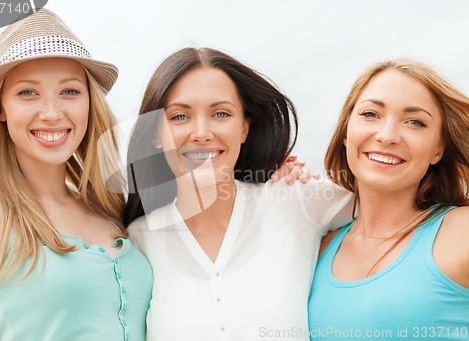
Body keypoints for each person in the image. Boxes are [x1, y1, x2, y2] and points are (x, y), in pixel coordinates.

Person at [125, 47, 354, 341]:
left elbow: (398, 200)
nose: (201, 132)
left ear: (245, 127)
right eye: (180, 116)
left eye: (221, 113)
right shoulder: (139, 240)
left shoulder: (296, 201)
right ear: (156, 133)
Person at [0, 9, 152, 341]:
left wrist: (274, 178)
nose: (52, 113)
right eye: (28, 92)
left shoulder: (108, 207)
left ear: (88, 103)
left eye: (69, 91)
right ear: (0, 108)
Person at [308, 59, 469, 340]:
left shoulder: (461, 232)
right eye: (370, 114)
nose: (387, 136)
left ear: (438, 150)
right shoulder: (317, 246)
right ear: (346, 133)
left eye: (415, 122)